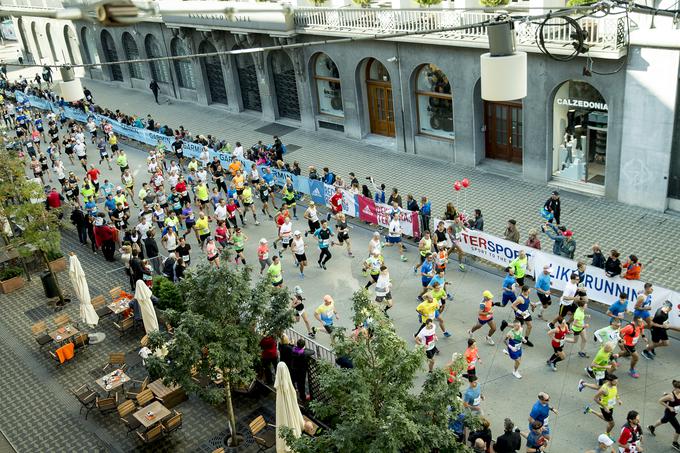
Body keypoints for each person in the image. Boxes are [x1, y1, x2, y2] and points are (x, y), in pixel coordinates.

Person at [647, 379, 680, 451]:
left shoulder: (678, 392)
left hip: (674, 413)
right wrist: (669, 407)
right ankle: (675, 443)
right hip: (670, 413)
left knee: (663, 420)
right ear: (677, 388)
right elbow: (660, 400)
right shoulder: (671, 396)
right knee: (678, 429)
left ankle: (651, 427)